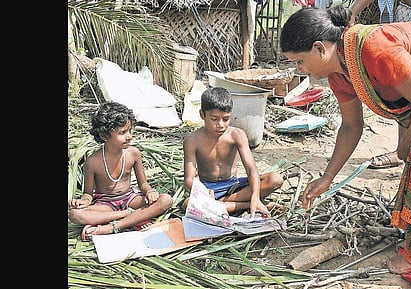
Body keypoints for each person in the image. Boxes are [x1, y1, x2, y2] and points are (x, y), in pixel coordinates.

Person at [280, 5, 411, 284]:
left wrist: (404, 147)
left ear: (320, 49)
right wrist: (326, 178)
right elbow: (351, 126)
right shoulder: (340, 73)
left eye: (299, 62)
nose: (300, 70)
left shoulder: (376, 49)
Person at [68, 101, 173, 241]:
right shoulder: (93, 161)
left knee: (166, 200)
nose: (129, 136)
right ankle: (129, 216)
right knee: (75, 214)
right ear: (105, 136)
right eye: (122, 132)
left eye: (130, 130)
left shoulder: (133, 154)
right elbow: (88, 194)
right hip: (105, 204)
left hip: (130, 199)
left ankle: (114, 226)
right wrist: (83, 202)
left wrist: (149, 191)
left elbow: (143, 184)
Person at [182, 87, 285, 218]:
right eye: (214, 119)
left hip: (234, 186)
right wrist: (203, 193)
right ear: (202, 114)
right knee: (187, 205)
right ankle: (246, 205)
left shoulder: (237, 135)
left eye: (225, 119)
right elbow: (189, 180)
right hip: (209, 189)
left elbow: (251, 169)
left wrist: (254, 195)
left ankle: (221, 205)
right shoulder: (192, 140)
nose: (220, 124)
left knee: (275, 179)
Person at [348, 0, 411, 170]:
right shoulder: (389, 3)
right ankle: (402, 151)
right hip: (401, 42)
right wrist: (352, 12)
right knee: (405, 94)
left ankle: (405, 150)